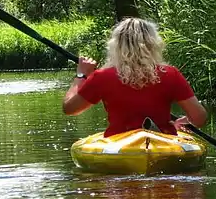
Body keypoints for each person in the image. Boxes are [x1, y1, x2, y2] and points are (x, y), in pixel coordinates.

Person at [62, 17, 207, 137]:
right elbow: (199, 118)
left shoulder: (101, 77)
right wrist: (186, 120)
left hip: (119, 143)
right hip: (162, 139)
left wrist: (81, 75)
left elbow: (70, 109)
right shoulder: (170, 74)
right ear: (153, 44)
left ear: (116, 46)